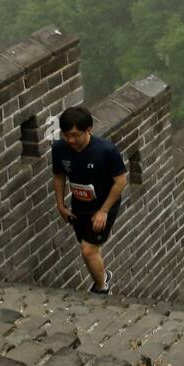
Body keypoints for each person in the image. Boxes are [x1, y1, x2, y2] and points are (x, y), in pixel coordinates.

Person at [51, 106, 127, 295]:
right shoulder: (60, 149)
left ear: (88, 130)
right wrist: (60, 204)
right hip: (79, 205)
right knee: (89, 247)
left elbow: (120, 181)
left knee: (87, 250)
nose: (71, 140)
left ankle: (102, 289)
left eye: (76, 135)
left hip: (103, 205)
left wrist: (104, 211)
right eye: (66, 135)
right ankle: (104, 275)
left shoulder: (106, 150)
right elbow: (59, 176)